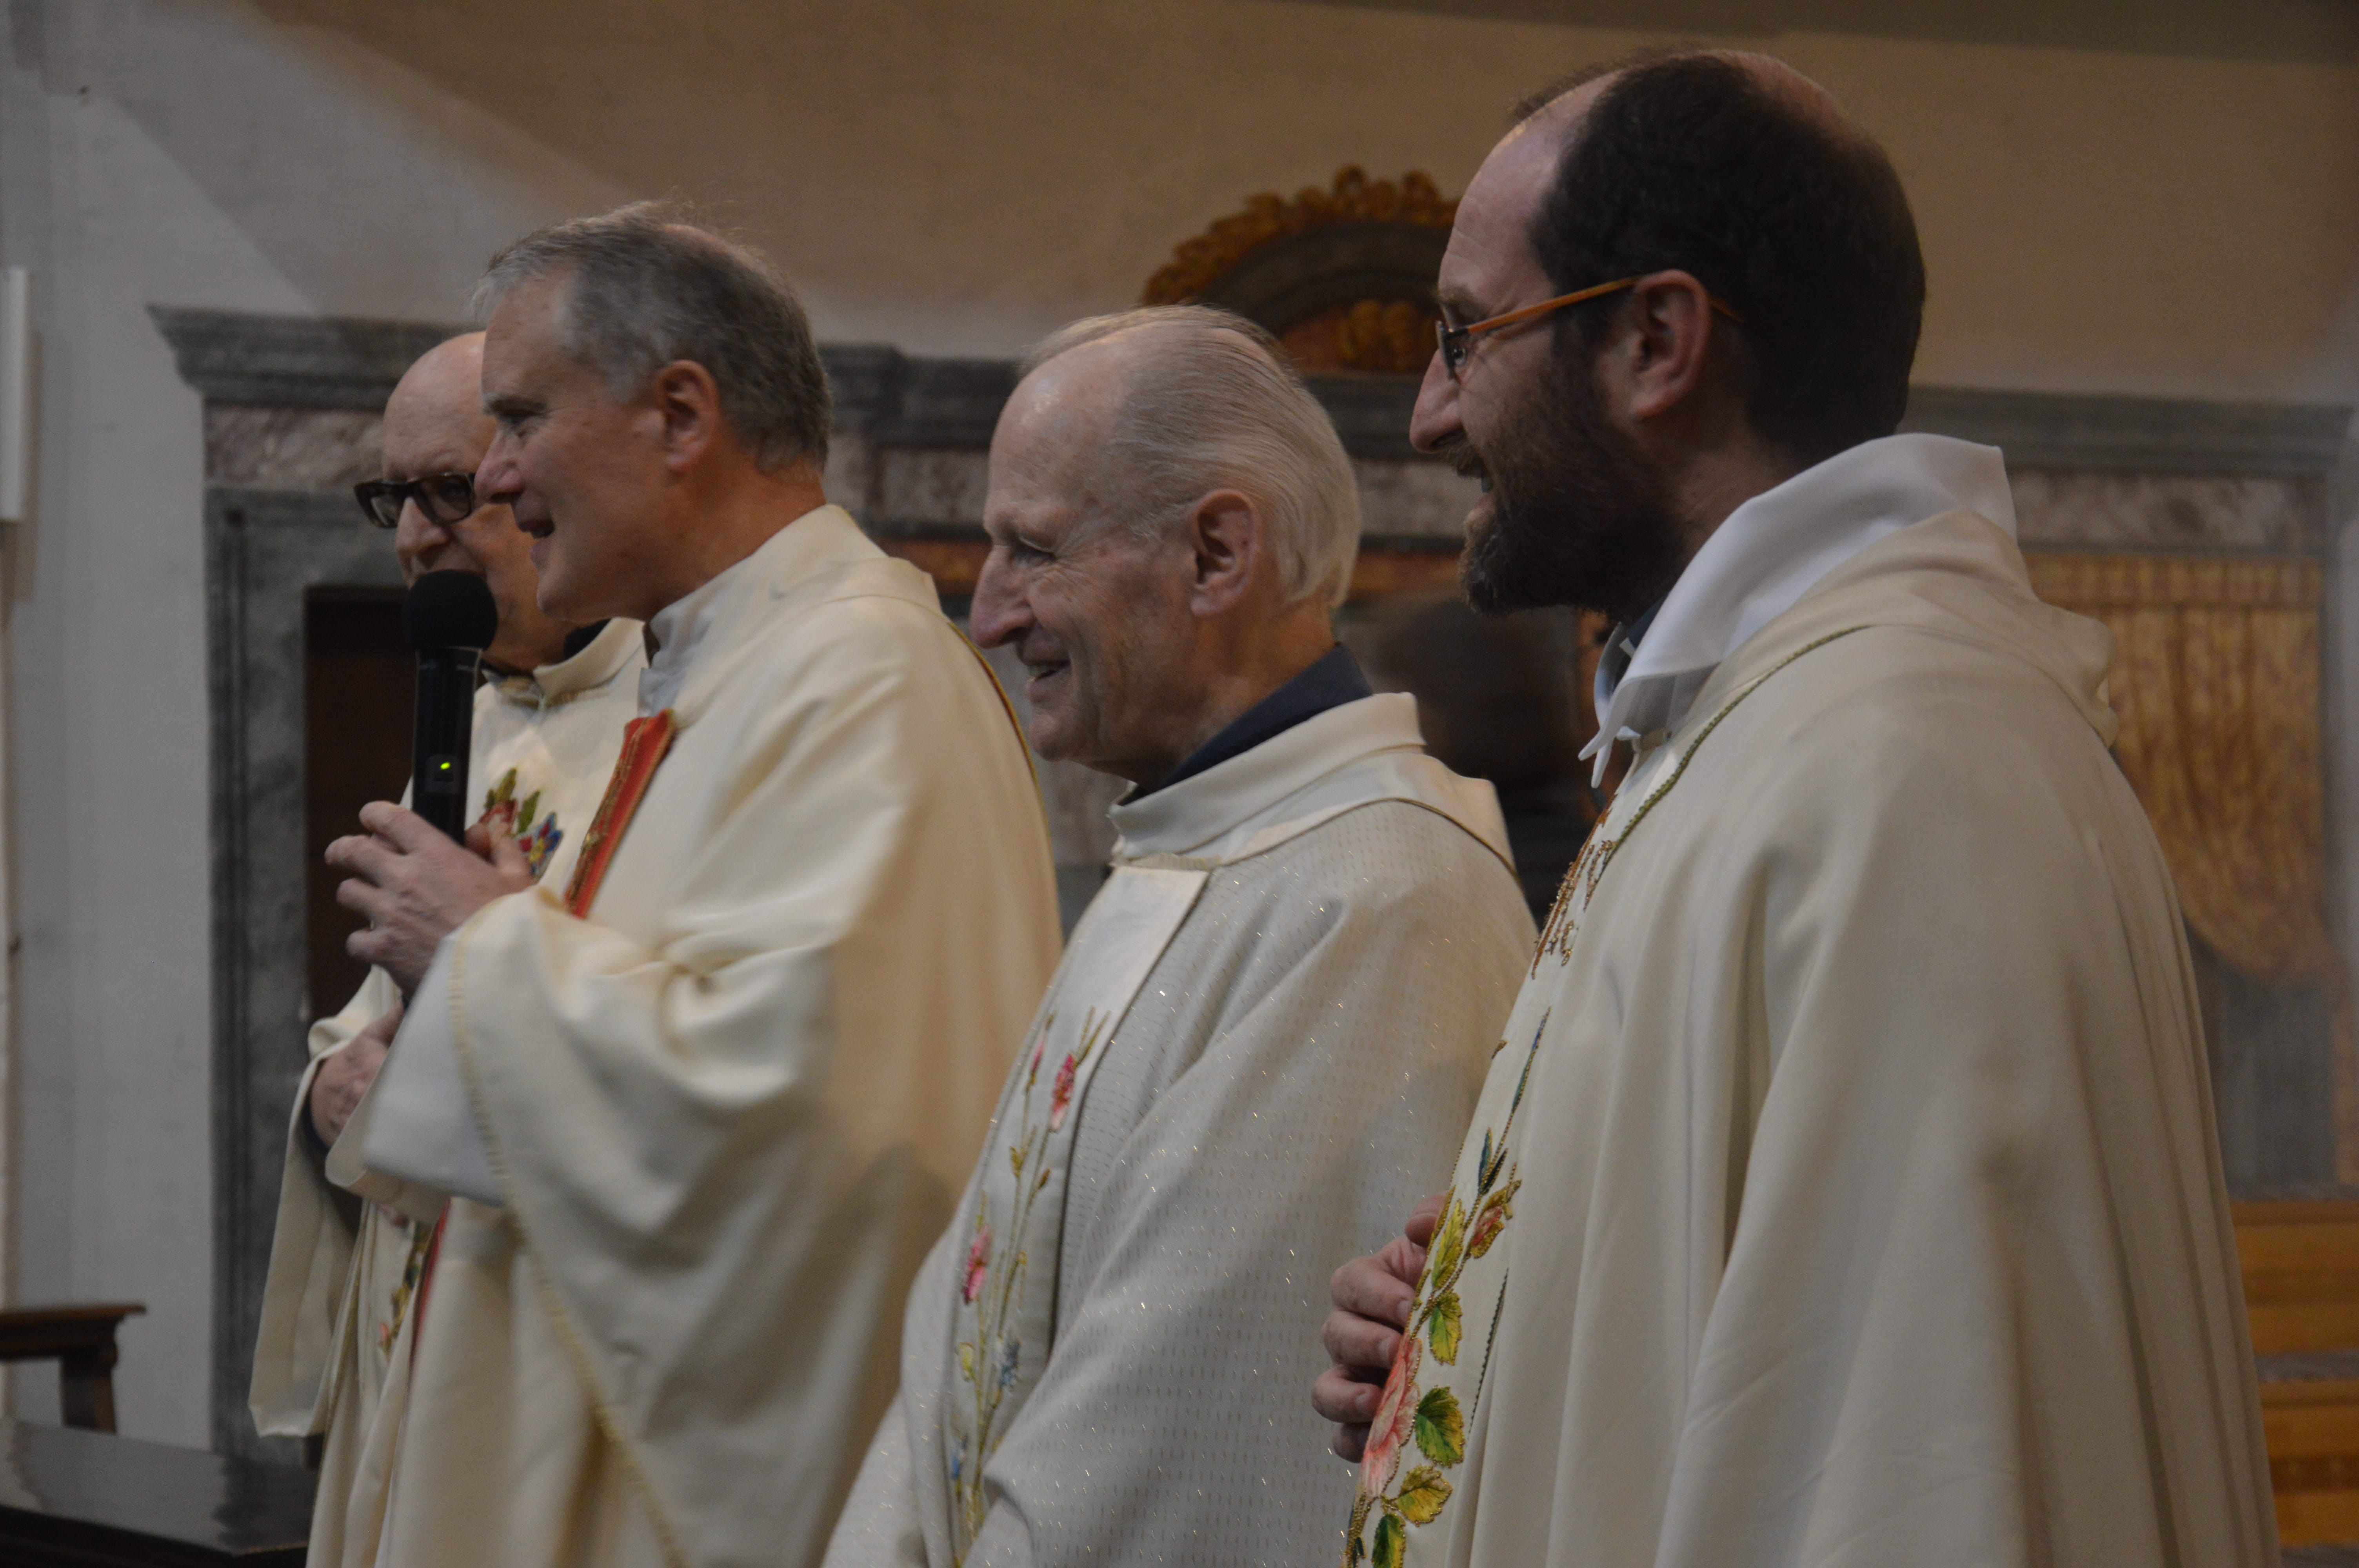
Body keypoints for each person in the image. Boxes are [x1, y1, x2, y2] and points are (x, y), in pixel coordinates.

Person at [1313, 51, 2275, 1568]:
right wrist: (1488, 1332)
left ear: (1656, 340)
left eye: (1463, 335)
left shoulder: (1896, 772)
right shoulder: (1753, 729)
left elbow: (1919, 1479)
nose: (1432, 415)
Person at [322, 205, 1062, 1568]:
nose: (491, 478)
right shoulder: (730, 666)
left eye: (520, 420)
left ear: (680, 414)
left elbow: (812, 1137)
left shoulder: (863, 681)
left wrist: (483, 955)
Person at [823, 306, 1534, 1568]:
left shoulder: (1372, 898)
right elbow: (966, 1333)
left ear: (1217, 554)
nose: (989, 615)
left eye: (1031, 550)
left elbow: (1166, 1447)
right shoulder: (1195, 849)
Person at [247, 330, 647, 1563]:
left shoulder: (680, 724)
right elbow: (375, 1014)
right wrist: (328, 1090)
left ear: (545, 472)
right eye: (394, 499)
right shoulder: (472, 716)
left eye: (449, 490)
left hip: (554, 1344)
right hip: (412, 1318)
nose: (416, 538)